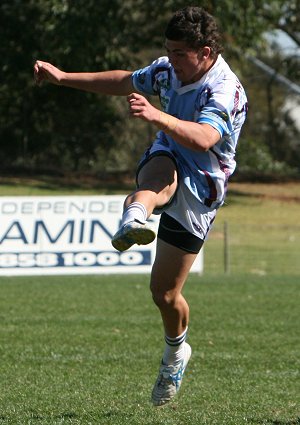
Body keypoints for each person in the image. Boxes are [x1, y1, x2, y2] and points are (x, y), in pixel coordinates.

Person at [34, 6, 247, 406]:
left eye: (179, 53)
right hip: (169, 155)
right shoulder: (169, 70)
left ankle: (175, 354)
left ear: (205, 52)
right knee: (159, 172)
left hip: (203, 185)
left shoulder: (224, 89)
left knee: (165, 294)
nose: (171, 60)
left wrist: (156, 114)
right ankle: (133, 218)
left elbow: (203, 138)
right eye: (167, 50)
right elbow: (124, 80)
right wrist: (63, 77)